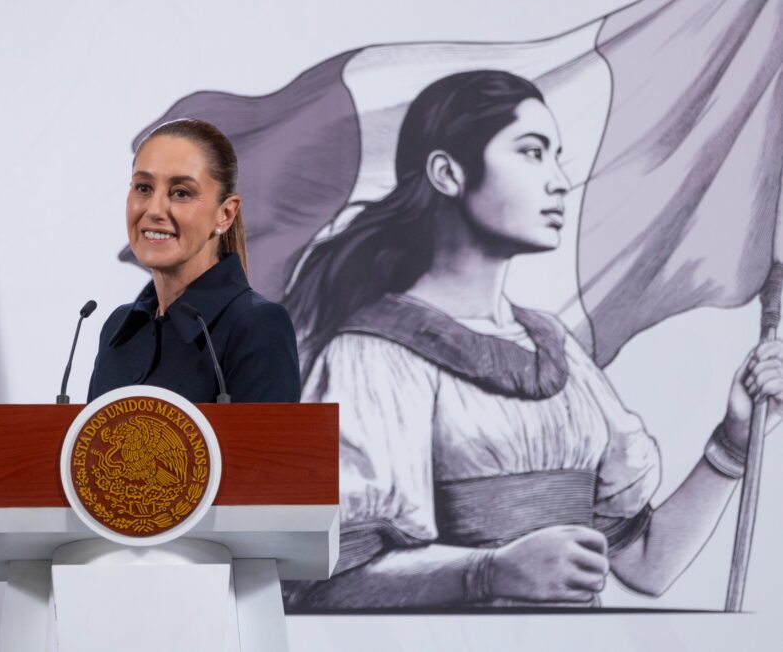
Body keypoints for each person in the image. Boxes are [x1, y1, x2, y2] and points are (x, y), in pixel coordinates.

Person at [282, 70, 783, 608]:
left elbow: (645, 565)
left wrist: (734, 441)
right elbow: (321, 584)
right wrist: (488, 573)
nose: (559, 180)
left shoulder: (558, 351)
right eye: (532, 152)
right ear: (447, 173)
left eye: (556, 154)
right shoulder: (370, 356)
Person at [87, 118, 301, 404]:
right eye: (143, 188)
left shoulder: (257, 325)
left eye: (181, 193)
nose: (154, 210)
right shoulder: (119, 329)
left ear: (225, 214)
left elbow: (268, 449)